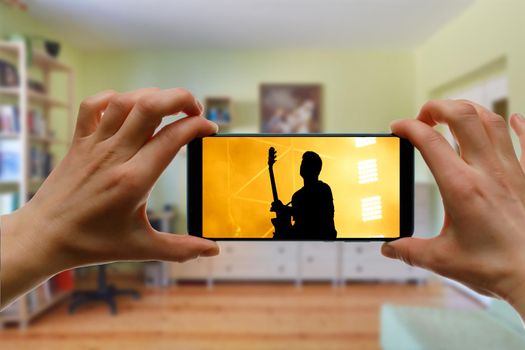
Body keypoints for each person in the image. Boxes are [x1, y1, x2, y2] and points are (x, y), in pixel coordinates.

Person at [1, 89, 525, 323]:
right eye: (304, 170)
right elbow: (295, 214)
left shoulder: (311, 192)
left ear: (312, 171)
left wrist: (36, 233)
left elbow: (311, 218)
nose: (306, 173)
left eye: (307, 169)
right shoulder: (303, 189)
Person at [271, 151, 337, 240]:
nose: (302, 166)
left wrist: (286, 210)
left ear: (315, 169)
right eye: (302, 163)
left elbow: (313, 216)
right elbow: (299, 225)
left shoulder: (322, 189)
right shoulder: (297, 196)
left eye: (306, 164)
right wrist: (283, 218)